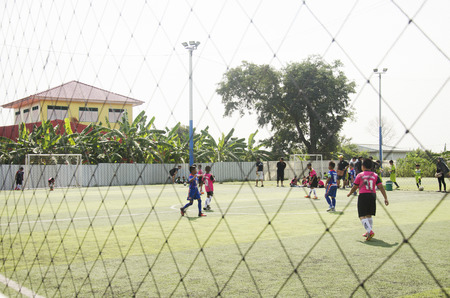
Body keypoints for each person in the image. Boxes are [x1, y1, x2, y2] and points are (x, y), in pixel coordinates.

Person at [347, 158, 389, 241]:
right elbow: (381, 187)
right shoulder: (375, 175)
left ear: (363, 166)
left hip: (363, 195)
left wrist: (350, 193)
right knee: (369, 214)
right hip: (372, 195)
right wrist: (385, 198)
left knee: (362, 215)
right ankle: (368, 231)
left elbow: (355, 186)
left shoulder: (360, 175)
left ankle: (370, 231)